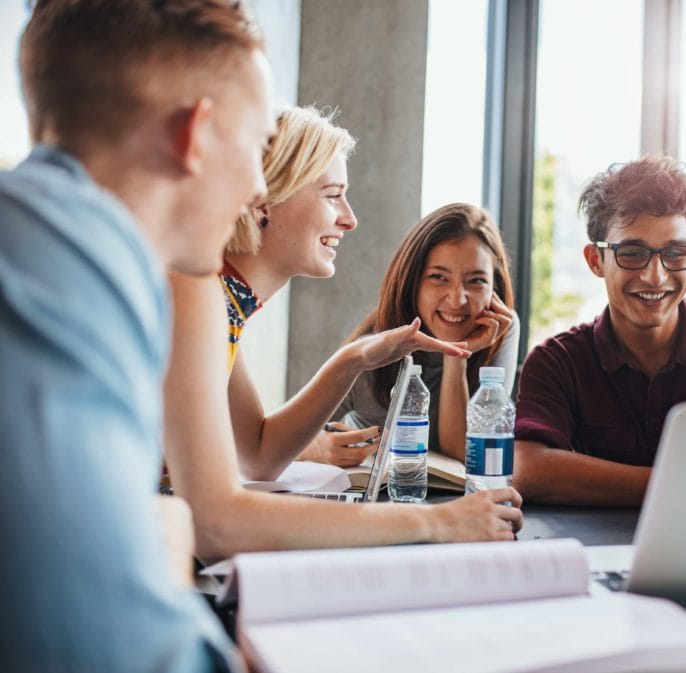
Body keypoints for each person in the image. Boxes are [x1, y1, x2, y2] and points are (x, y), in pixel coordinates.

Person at [0, 1, 275, 671]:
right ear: (197, 136)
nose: (261, 186)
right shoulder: (68, 264)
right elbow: (104, 646)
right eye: (259, 145)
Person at [164, 107, 522, 561]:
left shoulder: (224, 307)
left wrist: (352, 359)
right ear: (263, 200)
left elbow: (257, 455)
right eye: (333, 195)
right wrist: (438, 521)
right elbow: (218, 523)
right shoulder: (198, 298)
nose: (350, 220)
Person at [512, 156, 686, 506]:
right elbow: (529, 469)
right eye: (632, 253)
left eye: (675, 253)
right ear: (595, 260)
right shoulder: (556, 361)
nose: (655, 276)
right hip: (589, 555)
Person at [336, 202, 519, 462]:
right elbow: (293, 441)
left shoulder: (501, 326)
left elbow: (463, 453)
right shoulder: (373, 349)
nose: (457, 300)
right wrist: (321, 448)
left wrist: (456, 355)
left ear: (495, 288)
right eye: (438, 277)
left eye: (476, 281)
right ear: (413, 282)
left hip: (451, 496)